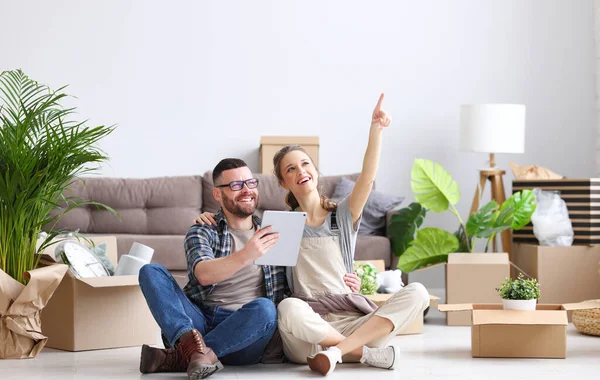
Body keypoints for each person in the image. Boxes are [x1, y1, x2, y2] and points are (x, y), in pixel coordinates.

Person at [196, 94, 430, 376]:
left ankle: (337, 353)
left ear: (316, 171)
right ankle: (362, 354)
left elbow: (367, 176)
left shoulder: (342, 217)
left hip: (356, 324)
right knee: (288, 306)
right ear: (283, 182)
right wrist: (210, 216)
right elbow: (238, 225)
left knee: (418, 292)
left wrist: (375, 129)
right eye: (291, 169)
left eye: (306, 164)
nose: (301, 171)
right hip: (307, 335)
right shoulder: (277, 225)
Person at [137, 158, 286, 380]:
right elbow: (203, 275)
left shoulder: (274, 232)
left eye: (250, 183)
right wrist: (247, 254)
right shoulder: (203, 230)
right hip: (199, 321)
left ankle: (185, 356)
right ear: (218, 194)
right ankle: (195, 349)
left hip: (245, 331)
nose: (246, 190)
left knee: (265, 309)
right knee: (150, 272)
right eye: (236, 185)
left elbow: (299, 277)